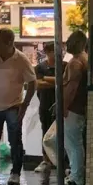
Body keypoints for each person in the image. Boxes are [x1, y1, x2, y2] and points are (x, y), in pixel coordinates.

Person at [0, 28, 36, 185]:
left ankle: (15, 173)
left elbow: (32, 83)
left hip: (13, 106)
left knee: (15, 140)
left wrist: (24, 105)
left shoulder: (21, 59)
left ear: (9, 43)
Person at [38, 31, 89, 185]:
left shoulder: (75, 63)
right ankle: (73, 171)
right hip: (74, 108)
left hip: (72, 109)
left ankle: (76, 177)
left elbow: (71, 88)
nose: (68, 45)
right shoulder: (83, 59)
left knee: (72, 144)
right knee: (60, 141)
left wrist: (63, 106)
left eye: (71, 42)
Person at [33, 42, 56, 174]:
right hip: (45, 104)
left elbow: (66, 82)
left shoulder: (65, 66)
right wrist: (57, 82)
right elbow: (38, 84)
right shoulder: (40, 67)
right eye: (53, 51)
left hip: (62, 104)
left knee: (62, 134)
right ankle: (46, 160)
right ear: (47, 52)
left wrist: (46, 80)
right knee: (45, 132)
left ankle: (63, 163)